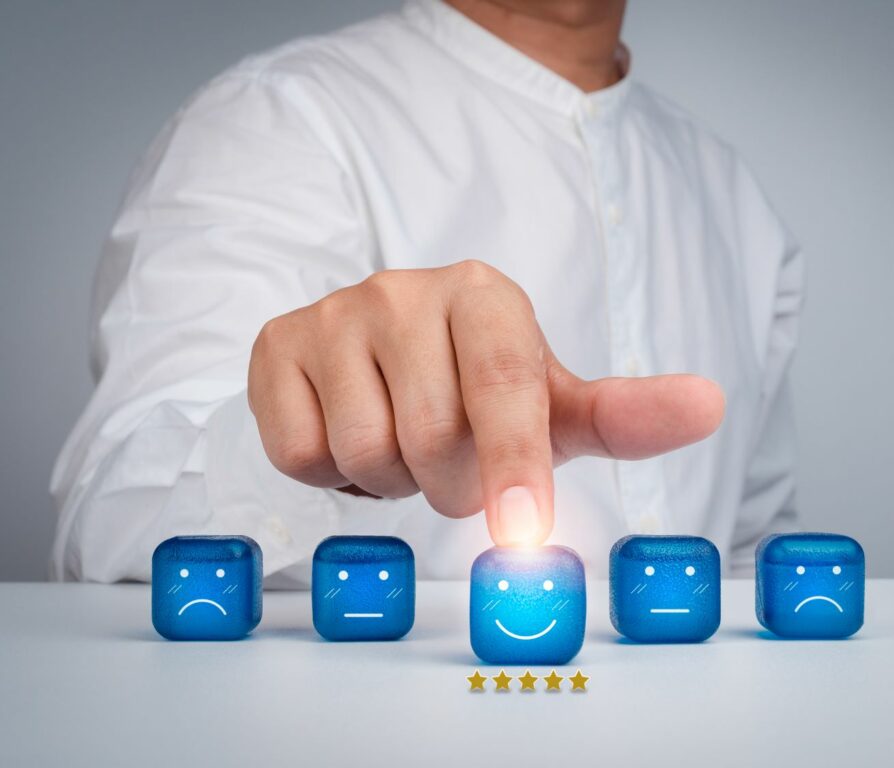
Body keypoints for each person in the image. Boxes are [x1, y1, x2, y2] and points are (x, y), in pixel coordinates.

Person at [51, 0, 803, 585]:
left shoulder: (733, 191)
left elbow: (747, 557)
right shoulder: (273, 118)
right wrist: (298, 440)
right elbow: (112, 519)